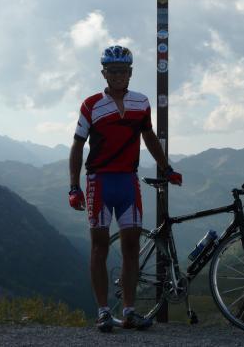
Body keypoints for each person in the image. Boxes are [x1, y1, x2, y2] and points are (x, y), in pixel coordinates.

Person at [68, 45, 182, 333]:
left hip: (128, 183)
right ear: (104, 72)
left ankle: (129, 311)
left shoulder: (141, 103)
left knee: (132, 249)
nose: (118, 75)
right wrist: (73, 186)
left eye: (124, 70)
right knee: (99, 248)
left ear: (131, 72)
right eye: (113, 70)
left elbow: (149, 137)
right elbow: (78, 145)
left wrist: (166, 168)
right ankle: (104, 312)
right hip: (99, 183)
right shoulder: (91, 104)